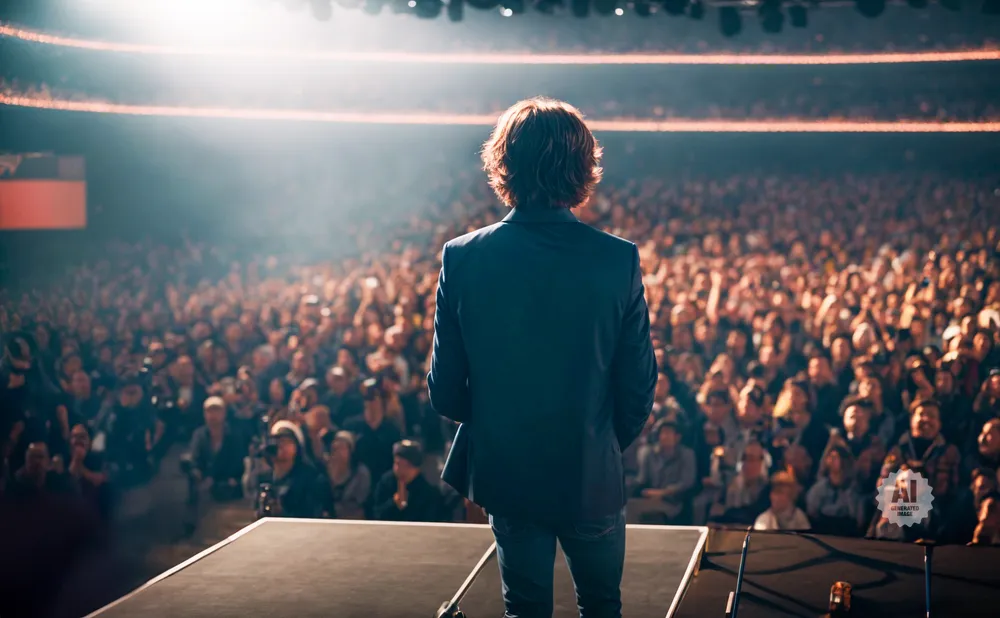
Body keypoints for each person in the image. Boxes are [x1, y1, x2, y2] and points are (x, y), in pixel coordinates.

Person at [429, 98, 656, 618]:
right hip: (589, 472)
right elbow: (639, 385)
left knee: (525, 609)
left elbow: (446, 391)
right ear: (582, 168)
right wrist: (597, 440)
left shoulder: (462, 257)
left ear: (503, 163)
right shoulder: (617, 258)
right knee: (602, 607)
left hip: (508, 473)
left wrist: (503, 424)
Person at [373, 440, 442, 522]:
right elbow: (376, 515)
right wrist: (394, 504)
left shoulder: (428, 490)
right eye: (397, 464)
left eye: (406, 466)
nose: (401, 470)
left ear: (417, 468)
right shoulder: (386, 482)